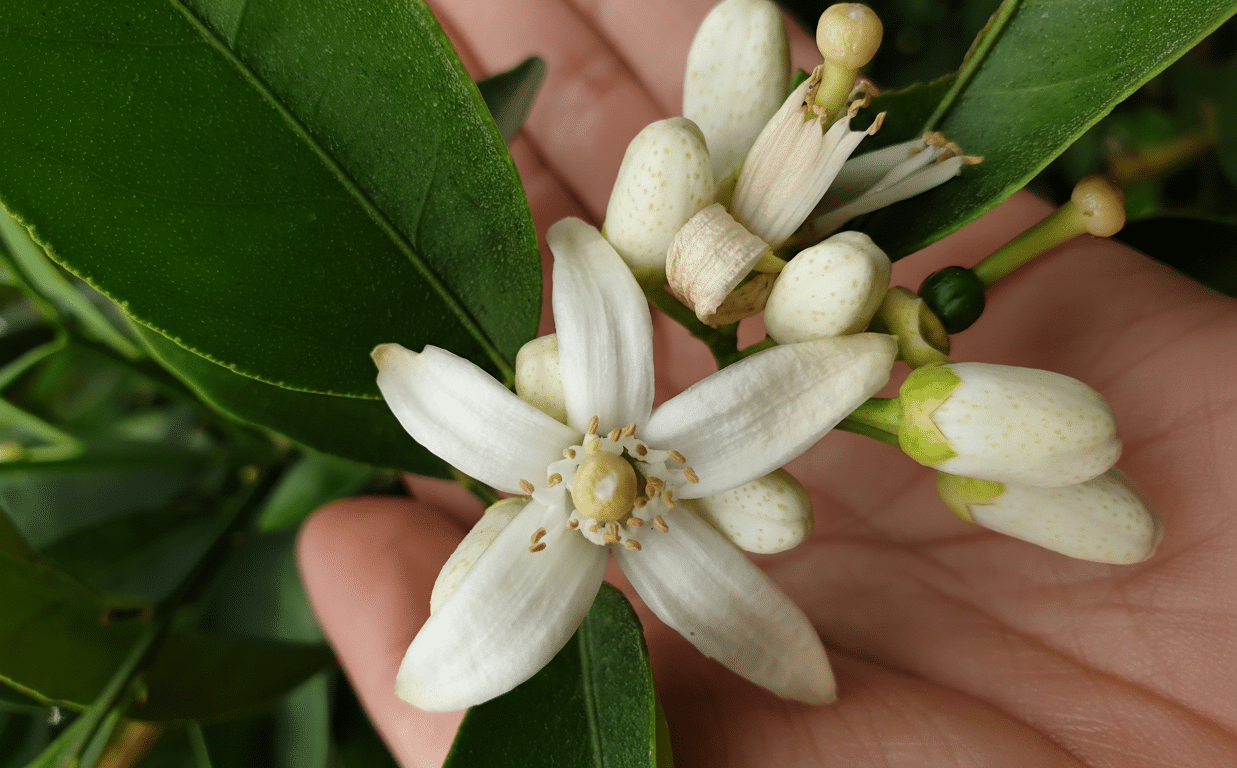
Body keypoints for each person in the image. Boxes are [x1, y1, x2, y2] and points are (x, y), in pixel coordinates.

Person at [297, 1, 1237, 765]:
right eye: (611, 487)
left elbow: (753, 380)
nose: (607, 483)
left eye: (603, 480)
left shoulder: (647, 439)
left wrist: (843, 345)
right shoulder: (614, 472)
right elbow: (515, 340)